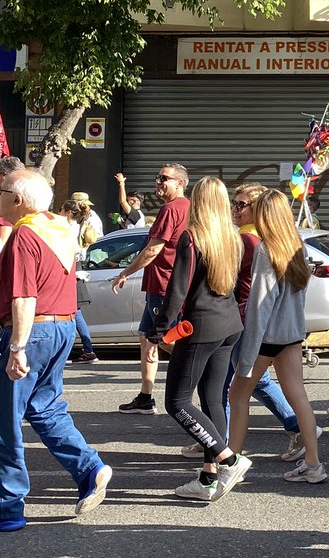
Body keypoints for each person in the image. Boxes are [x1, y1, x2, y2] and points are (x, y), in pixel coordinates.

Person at [0, 168, 112, 532]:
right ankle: (89, 468)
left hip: (32, 331)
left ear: (17, 199)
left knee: (6, 420)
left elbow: (24, 295)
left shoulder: (24, 234)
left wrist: (17, 344)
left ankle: (9, 506)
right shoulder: (61, 228)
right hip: (62, 326)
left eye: (2, 191)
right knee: (45, 407)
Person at [149, 176, 251, 502]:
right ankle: (208, 478)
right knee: (210, 399)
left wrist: (158, 329)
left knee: (177, 402)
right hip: (229, 324)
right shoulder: (232, 237)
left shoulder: (192, 238)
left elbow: (177, 289)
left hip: (202, 328)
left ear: (198, 202)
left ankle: (228, 460)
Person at [228, 190, 325, 484]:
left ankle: (231, 459)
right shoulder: (296, 245)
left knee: (238, 394)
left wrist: (247, 354)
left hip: (268, 335)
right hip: (291, 334)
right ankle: (313, 463)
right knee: (298, 397)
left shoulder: (265, 249)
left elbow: (260, 305)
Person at [209, 183, 308, 464]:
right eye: (235, 203)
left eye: (242, 205)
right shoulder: (282, 241)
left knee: (235, 390)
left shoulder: (256, 243)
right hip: (279, 333)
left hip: (257, 329)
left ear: (261, 210)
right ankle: (305, 442)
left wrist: (249, 345)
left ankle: (225, 451)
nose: (236, 210)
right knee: (253, 385)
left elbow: (259, 299)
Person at [112, 162, 190, 415]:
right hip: (160, 285)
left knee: (166, 339)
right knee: (147, 339)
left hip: (165, 286)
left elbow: (153, 250)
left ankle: (204, 375)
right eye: (157, 177)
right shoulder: (187, 207)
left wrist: (125, 272)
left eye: (164, 178)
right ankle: (146, 397)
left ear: (179, 183)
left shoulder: (172, 208)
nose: (158, 182)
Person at [64, 199, 100, 364]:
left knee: (73, 314)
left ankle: (86, 350)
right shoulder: (80, 225)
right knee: (74, 314)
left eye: (61, 210)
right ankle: (87, 350)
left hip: (71, 271)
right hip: (75, 270)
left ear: (68, 212)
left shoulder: (69, 228)